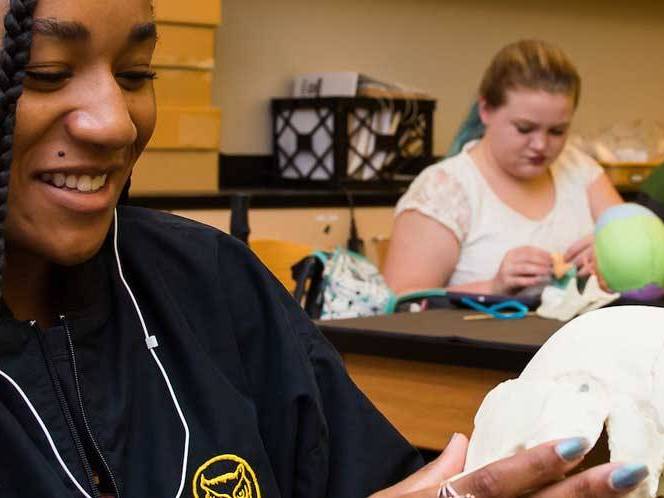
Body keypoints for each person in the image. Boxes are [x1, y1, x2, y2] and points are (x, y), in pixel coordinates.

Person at [0, 2, 648, 496]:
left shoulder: (216, 284)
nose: (113, 120)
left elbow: (375, 477)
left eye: (136, 73)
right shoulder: (449, 188)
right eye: (45, 74)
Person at [384, 40, 624, 296]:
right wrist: (493, 287)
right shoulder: (443, 191)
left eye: (557, 131)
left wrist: (616, 256)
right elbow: (401, 304)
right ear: (486, 110)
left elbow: (649, 261)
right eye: (524, 128)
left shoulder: (580, 171)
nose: (540, 145)